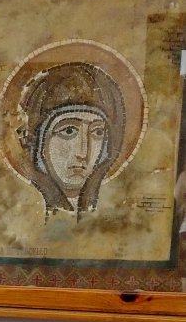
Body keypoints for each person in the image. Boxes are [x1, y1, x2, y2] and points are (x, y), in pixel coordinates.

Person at [16, 61, 126, 219]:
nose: (83, 153)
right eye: (68, 131)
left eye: (97, 132)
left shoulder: (115, 212)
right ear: (36, 140)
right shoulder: (20, 211)